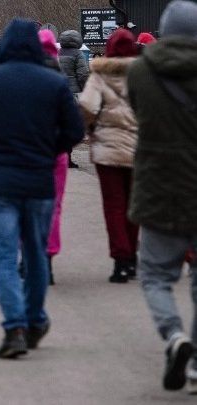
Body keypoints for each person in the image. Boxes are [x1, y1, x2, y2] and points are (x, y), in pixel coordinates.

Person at [0, 19, 84, 359]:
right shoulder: (52, 83)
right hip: (39, 181)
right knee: (35, 253)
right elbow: (75, 130)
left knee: (5, 255)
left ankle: (15, 327)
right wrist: (51, 149)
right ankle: (36, 318)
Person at [127, 0, 197, 392]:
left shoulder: (141, 71)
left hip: (158, 185)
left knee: (155, 274)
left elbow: (140, 113)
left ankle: (174, 336)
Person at [78, 28, 140, 284]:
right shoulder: (143, 76)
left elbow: (87, 106)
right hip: (139, 149)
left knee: (113, 205)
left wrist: (92, 127)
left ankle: (120, 260)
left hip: (107, 149)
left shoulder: (99, 75)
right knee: (133, 206)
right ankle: (133, 258)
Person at [39, 29, 68, 286]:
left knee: (27, 204)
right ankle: (47, 257)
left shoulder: (23, 78)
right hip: (55, 152)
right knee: (54, 206)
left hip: (27, 152)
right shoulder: (60, 80)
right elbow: (74, 125)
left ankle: (29, 257)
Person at [58, 29, 89, 169]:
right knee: (71, 125)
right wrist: (85, 88)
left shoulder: (58, 53)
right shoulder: (78, 54)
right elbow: (83, 74)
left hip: (58, 92)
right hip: (74, 93)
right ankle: (68, 157)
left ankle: (59, 155)